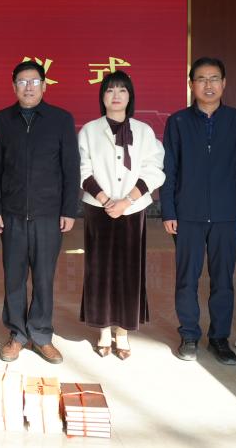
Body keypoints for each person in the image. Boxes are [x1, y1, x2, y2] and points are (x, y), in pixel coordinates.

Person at [161, 57, 236, 365]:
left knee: (223, 279)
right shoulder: (178, 121)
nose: (208, 85)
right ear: (192, 85)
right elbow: (169, 170)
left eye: (214, 78)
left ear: (224, 83)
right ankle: (189, 335)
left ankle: (219, 338)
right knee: (186, 278)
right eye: (201, 79)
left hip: (227, 214)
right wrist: (168, 211)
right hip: (187, 213)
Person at [0, 60, 80, 364]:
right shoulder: (2, 120)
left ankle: (41, 335)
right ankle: (17, 334)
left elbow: (70, 168)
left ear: (44, 85)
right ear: (13, 86)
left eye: (34, 81)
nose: (28, 87)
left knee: (43, 278)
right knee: (14, 278)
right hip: (12, 213)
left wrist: (69, 210)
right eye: (22, 82)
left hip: (48, 215)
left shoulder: (60, 119)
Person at [77, 71, 164, 360]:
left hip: (132, 209)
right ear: (102, 96)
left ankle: (123, 331)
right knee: (99, 270)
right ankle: (103, 330)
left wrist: (126, 201)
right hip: (98, 208)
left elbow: (154, 170)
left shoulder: (144, 131)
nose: (116, 95)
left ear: (130, 96)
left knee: (129, 271)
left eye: (122, 90)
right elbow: (83, 169)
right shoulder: (89, 131)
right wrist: (106, 200)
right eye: (110, 90)